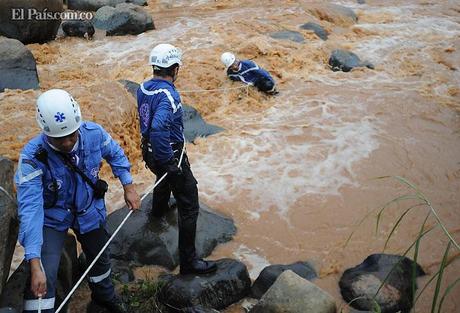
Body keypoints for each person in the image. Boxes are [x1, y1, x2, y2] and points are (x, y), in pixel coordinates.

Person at [15, 89, 140, 313]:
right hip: (51, 217)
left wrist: (128, 186)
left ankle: (103, 299)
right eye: (58, 138)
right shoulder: (32, 158)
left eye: (71, 135)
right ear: (45, 132)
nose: (66, 142)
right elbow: (30, 211)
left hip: (88, 208)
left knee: (100, 257)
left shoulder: (94, 134)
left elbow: (116, 154)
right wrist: (34, 263)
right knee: (46, 271)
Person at [137, 43, 217, 275]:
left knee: (162, 179)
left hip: (148, 152)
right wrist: (170, 163)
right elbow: (159, 127)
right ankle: (189, 261)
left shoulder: (143, 87)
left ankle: (158, 211)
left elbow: (149, 124)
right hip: (168, 153)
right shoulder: (169, 95)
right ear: (174, 69)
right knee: (189, 203)